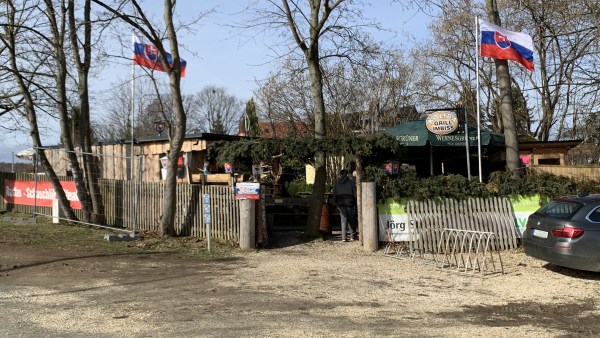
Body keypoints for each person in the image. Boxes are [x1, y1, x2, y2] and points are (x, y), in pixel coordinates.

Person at [333, 169, 357, 242]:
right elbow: (355, 194)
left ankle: (344, 237)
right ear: (347, 174)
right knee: (351, 219)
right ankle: (352, 235)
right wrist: (355, 201)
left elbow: (334, 194)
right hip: (350, 203)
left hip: (340, 203)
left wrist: (336, 202)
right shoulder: (351, 183)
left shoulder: (337, 183)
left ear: (340, 174)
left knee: (343, 220)